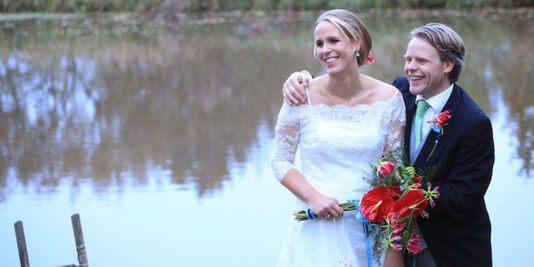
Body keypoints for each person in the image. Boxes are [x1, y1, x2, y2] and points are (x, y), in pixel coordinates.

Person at [282, 23, 494, 267]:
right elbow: (353, 94)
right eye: (408, 59)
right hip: (394, 245)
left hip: (447, 249)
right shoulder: (401, 91)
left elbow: (461, 197)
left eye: (421, 61)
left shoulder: (473, 123)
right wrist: (302, 79)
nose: (410, 68)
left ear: (448, 65)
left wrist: (395, 196)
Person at [271, 9, 405, 267]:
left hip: (368, 228)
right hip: (316, 227)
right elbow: (280, 161)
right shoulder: (301, 95)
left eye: (333, 41)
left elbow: (393, 170)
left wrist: (393, 244)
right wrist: (313, 197)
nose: (324, 50)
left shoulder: (390, 99)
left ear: (356, 42)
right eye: (319, 43)